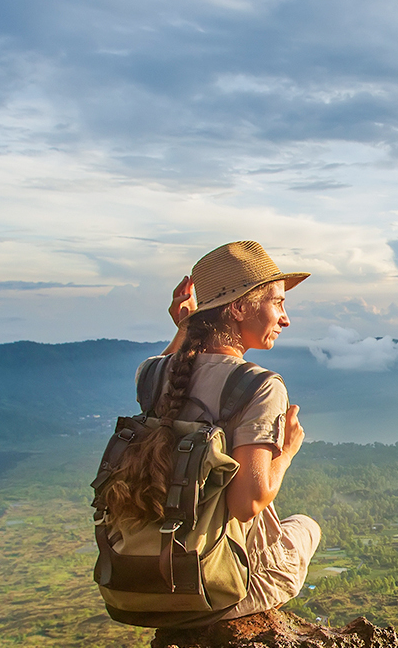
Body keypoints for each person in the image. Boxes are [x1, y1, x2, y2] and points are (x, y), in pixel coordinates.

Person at [105, 240, 321, 625]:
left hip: (136, 581)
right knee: (306, 528)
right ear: (239, 307)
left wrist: (187, 327)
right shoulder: (259, 386)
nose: (285, 318)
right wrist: (286, 452)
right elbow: (246, 505)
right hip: (213, 590)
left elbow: (170, 365)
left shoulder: (151, 375)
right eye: (278, 302)